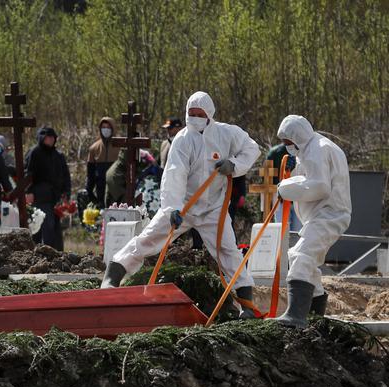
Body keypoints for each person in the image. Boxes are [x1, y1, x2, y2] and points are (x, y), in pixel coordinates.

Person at [101, 91, 260, 319]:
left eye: (200, 113)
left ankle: (246, 304)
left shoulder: (227, 134)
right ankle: (113, 275)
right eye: (191, 113)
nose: (195, 117)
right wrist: (173, 208)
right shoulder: (183, 139)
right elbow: (174, 174)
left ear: (210, 114)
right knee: (150, 238)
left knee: (228, 250)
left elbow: (252, 149)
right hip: (183, 206)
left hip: (213, 208)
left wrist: (234, 164)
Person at [275, 115, 351, 328]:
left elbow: (319, 187)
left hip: (329, 214)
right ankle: (317, 319)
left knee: (301, 255)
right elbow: (309, 179)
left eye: (288, 142)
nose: (286, 147)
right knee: (304, 261)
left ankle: (296, 315)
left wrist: (286, 189)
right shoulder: (310, 148)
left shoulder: (317, 149)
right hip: (321, 215)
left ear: (296, 136)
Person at [25, 127, 71, 250]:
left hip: (56, 197)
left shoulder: (58, 155)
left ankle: (56, 253)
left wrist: (66, 193)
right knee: (44, 224)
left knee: (55, 227)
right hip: (40, 195)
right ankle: (44, 252)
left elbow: (65, 175)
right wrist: (28, 192)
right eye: (47, 137)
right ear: (41, 138)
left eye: (52, 137)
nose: (50, 140)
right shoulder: (34, 152)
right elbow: (28, 173)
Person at [267, 143, 302, 230]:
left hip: (299, 198)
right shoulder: (275, 153)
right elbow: (267, 176)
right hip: (280, 198)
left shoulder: (304, 150)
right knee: (281, 229)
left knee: (298, 230)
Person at [86, 117, 119, 208]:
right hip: (100, 191)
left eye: (108, 127)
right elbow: (90, 173)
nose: (106, 130)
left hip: (117, 191)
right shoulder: (94, 148)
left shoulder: (120, 146)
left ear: (113, 129)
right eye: (103, 127)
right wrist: (89, 190)